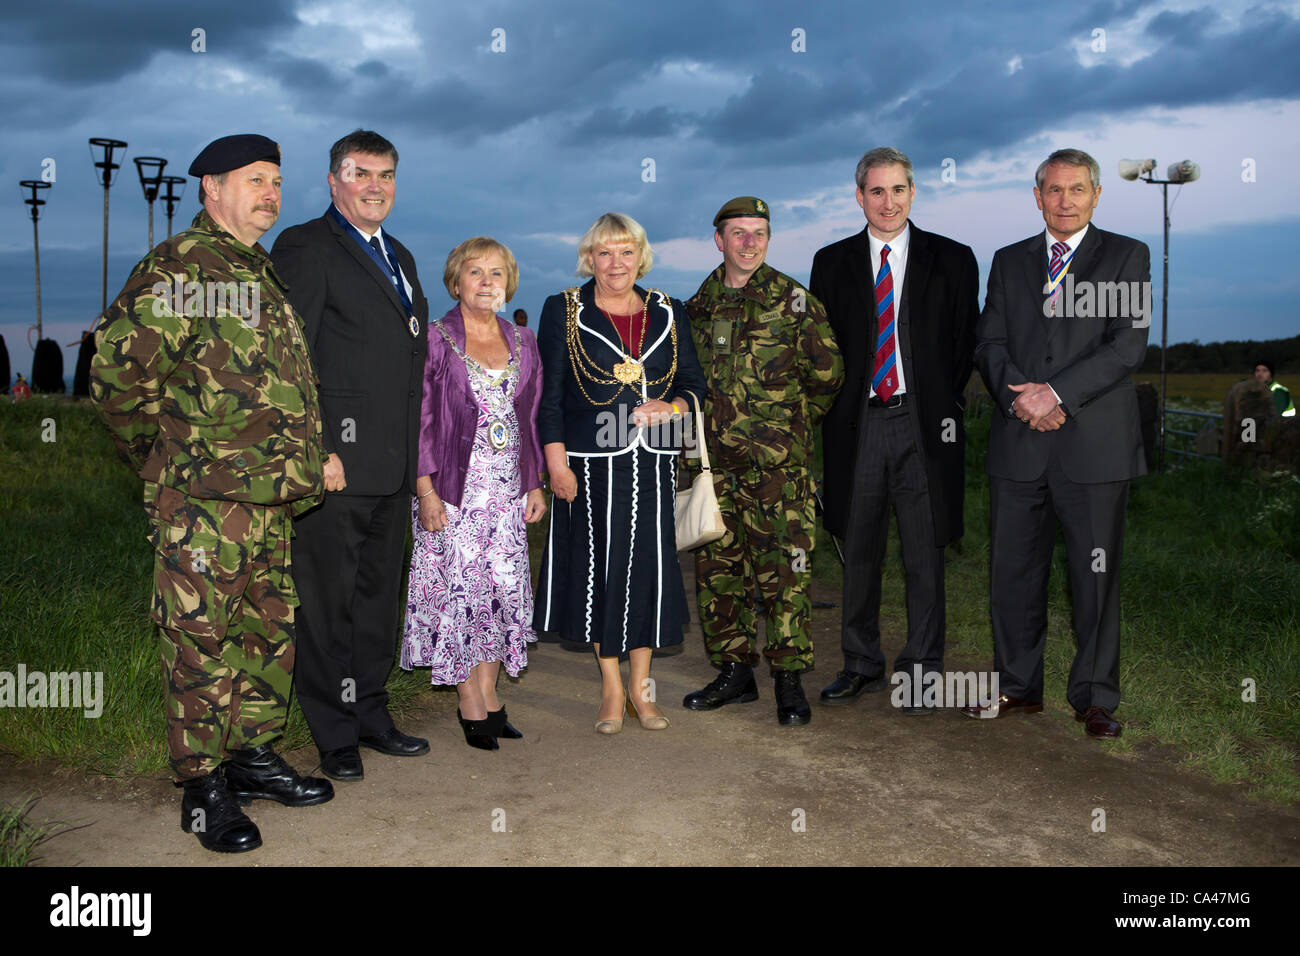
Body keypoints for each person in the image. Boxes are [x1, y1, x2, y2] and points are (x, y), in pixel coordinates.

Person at [90, 133, 332, 853]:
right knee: (199, 642)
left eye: (277, 182)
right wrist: (166, 457)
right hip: (203, 503)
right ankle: (202, 788)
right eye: (255, 180)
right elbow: (116, 376)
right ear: (211, 189)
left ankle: (250, 756)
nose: (271, 194)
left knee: (265, 634)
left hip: (268, 501)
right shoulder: (183, 267)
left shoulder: (258, 271)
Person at [966, 148, 1151, 739]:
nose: (1064, 200)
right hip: (1019, 442)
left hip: (1094, 448)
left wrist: (1057, 396)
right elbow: (989, 342)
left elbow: (1127, 345)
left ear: (1096, 195)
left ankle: (1095, 699)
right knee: (1014, 573)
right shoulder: (1009, 260)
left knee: (1094, 575)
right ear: (1037, 195)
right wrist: (1022, 398)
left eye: (1077, 190)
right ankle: (1018, 688)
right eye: (1053, 190)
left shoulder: (1126, 255)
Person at [271, 130, 430, 782]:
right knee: (327, 605)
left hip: (391, 470)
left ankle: (370, 712)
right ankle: (334, 734)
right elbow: (292, 355)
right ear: (334, 180)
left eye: (387, 175)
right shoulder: (306, 247)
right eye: (362, 173)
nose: (376, 186)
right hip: (337, 469)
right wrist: (318, 450)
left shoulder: (402, 257)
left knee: (374, 603)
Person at [811, 148, 979, 714]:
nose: (889, 202)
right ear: (860, 197)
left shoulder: (953, 259)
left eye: (899, 190)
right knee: (858, 550)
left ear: (914, 193)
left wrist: (933, 403)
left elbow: (963, 347)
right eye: (877, 192)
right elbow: (825, 348)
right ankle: (860, 664)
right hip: (856, 426)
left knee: (924, 554)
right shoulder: (830, 263)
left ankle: (923, 670)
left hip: (924, 426)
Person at [533, 212, 707, 733]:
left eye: (626, 252)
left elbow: (696, 385)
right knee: (596, 573)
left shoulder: (670, 312)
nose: (616, 263)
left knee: (649, 573)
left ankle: (642, 688)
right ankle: (610, 687)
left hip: (653, 464)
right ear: (590, 258)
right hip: (588, 466)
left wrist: (672, 409)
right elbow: (550, 399)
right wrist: (555, 462)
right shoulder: (561, 309)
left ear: (641, 257)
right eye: (605, 253)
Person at [681, 197, 844, 725]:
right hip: (714, 470)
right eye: (738, 233)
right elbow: (682, 384)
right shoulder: (695, 309)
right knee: (718, 572)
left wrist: (786, 430)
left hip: (779, 470)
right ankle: (734, 672)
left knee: (785, 574)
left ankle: (789, 678)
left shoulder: (795, 300)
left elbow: (827, 377)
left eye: (759, 232)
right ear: (719, 240)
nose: (750, 242)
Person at [401, 238, 546, 749]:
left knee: (500, 595)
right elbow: (417, 419)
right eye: (475, 272)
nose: (487, 281)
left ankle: (492, 694)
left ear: (509, 282)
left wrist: (534, 482)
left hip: (507, 493)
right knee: (460, 596)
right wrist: (425, 491)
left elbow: (528, 419)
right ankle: (470, 703)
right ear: (456, 282)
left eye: (497, 273)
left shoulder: (525, 340)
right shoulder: (438, 339)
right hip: (453, 491)